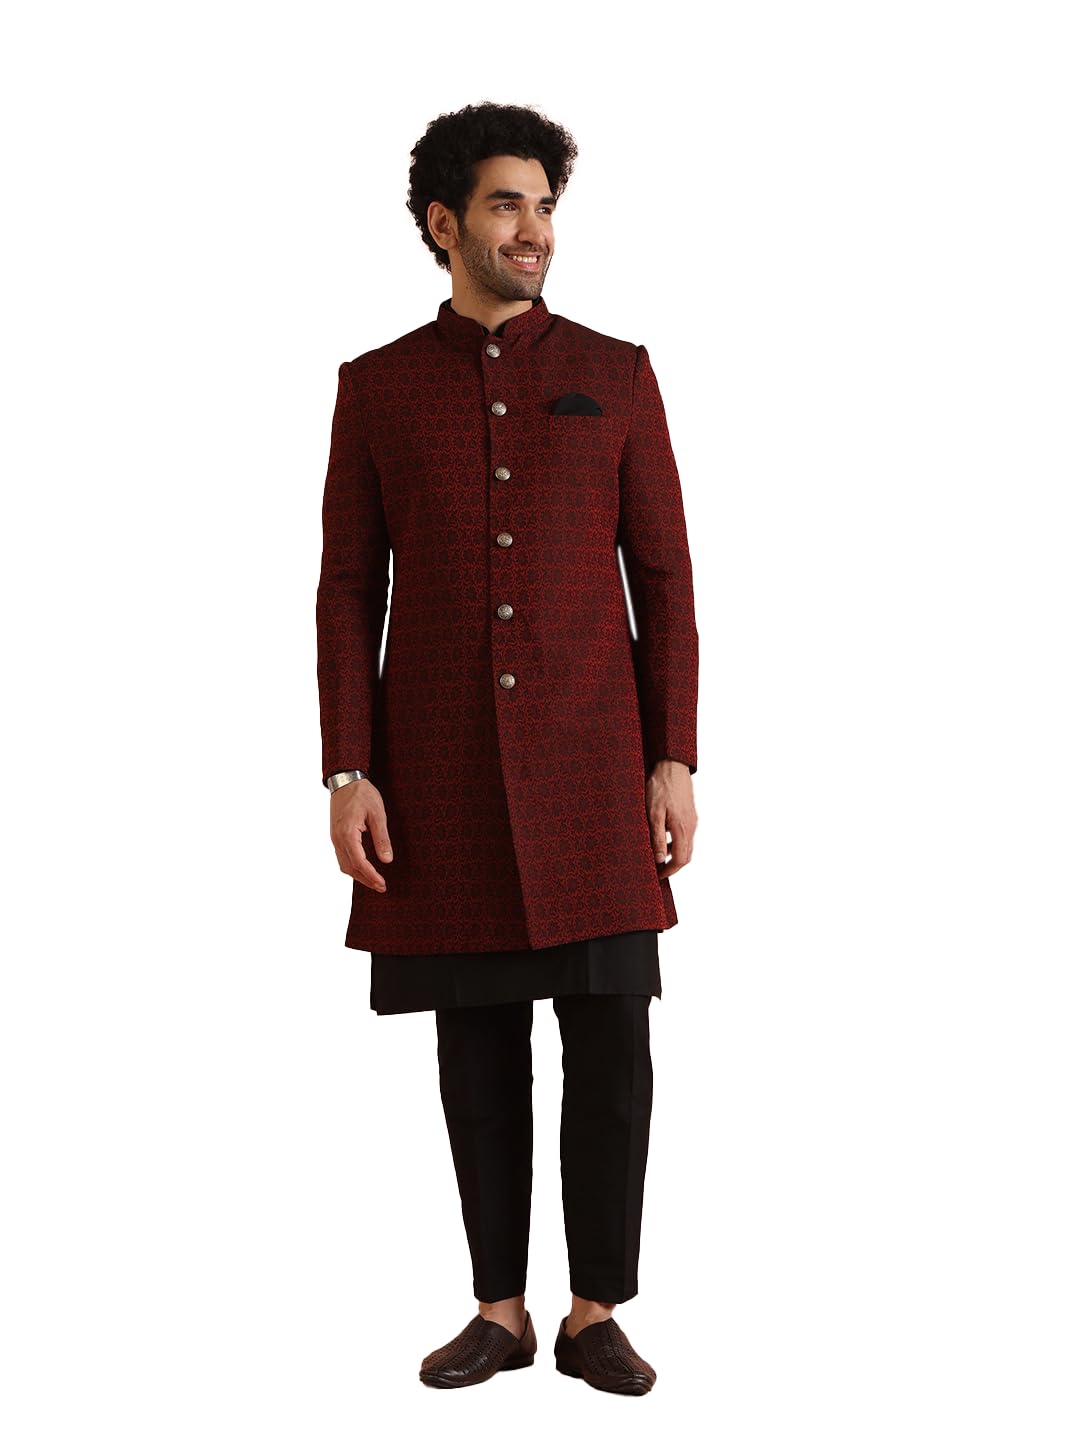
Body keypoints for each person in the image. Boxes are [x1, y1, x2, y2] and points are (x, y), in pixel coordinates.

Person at [315, 101, 699, 1395]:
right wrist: (348, 768)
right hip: (442, 773)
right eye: (505, 205)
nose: (534, 229)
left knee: (613, 1047)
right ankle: (500, 1310)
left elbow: (664, 576)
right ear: (444, 223)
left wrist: (674, 756)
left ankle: (596, 1314)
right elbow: (347, 591)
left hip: (596, 765)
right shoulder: (376, 387)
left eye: (543, 205)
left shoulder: (617, 370)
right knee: (475, 1050)